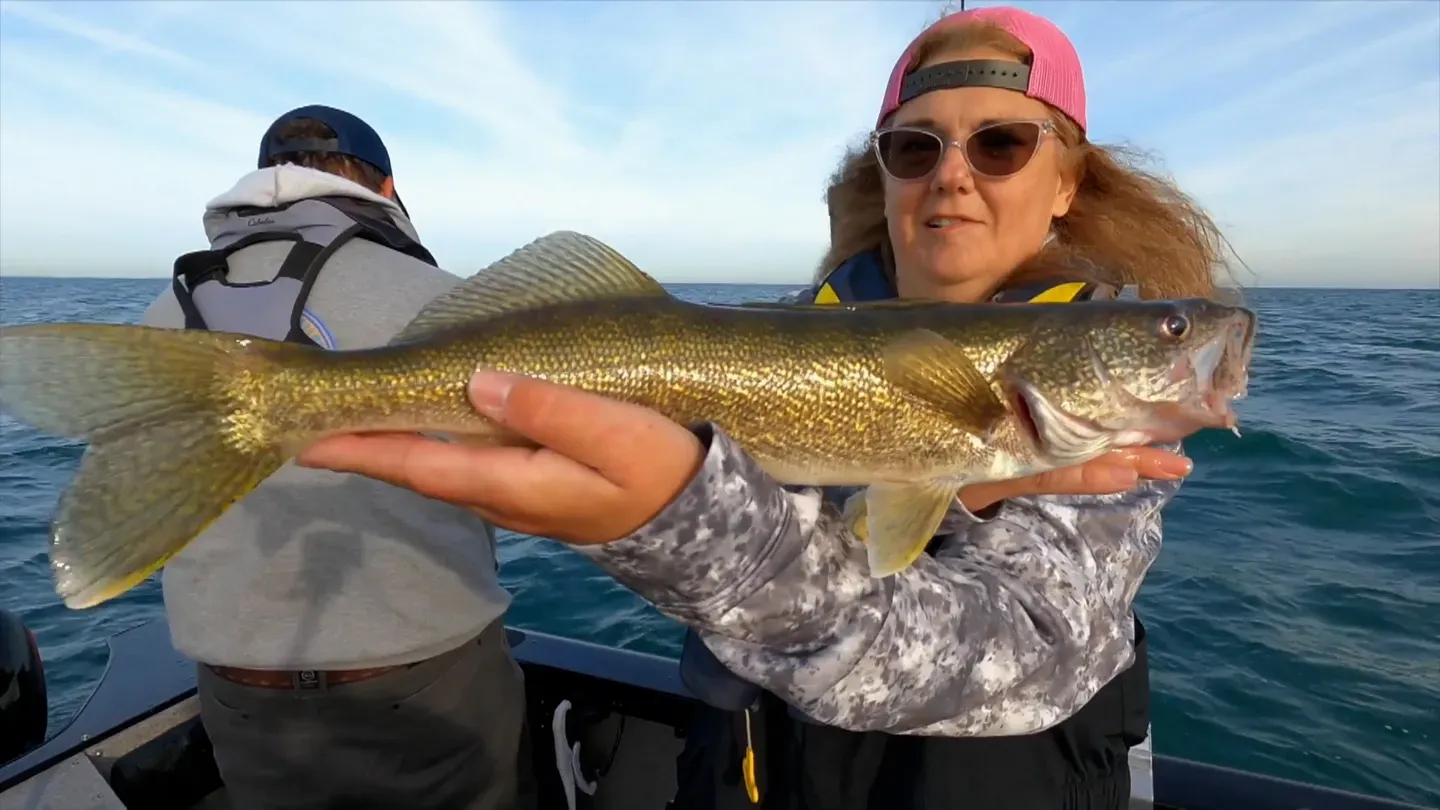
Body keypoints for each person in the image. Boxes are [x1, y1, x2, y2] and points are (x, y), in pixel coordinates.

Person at [294, 7, 1236, 810]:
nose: (953, 174)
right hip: (746, 769)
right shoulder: (793, 328)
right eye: (916, 146)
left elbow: (1004, 654)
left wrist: (685, 522)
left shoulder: (1107, 446)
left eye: (1001, 143)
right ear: (887, 176)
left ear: (1067, 181)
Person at [139, 105, 535, 810]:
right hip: (425, 670)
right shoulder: (446, 298)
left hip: (238, 680)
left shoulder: (162, 312)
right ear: (387, 190)